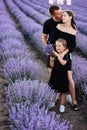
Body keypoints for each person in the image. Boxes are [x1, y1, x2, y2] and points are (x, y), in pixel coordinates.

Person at [48, 10, 79, 111]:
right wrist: (53, 53)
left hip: (65, 56)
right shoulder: (58, 26)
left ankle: (74, 101)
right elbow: (51, 40)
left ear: (70, 17)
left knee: (69, 78)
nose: (62, 17)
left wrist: (64, 53)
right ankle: (53, 98)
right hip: (54, 53)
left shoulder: (73, 30)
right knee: (53, 76)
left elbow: (72, 46)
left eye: (64, 15)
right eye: (62, 16)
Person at [49, 38, 71, 113]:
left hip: (62, 76)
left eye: (59, 46)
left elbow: (63, 63)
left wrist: (57, 55)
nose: (57, 47)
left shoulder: (66, 55)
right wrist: (51, 59)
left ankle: (62, 105)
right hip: (55, 74)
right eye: (56, 46)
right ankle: (53, 102)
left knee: (62, 92)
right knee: (54, 90)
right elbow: (51, 65)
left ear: (64, 47)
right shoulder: (54, 55)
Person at [42, 5, 62, 74]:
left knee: (63, 70)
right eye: (59, 14)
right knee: (51, 68)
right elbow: (44, 37)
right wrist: (47, 47)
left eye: (61, 12)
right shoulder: (48, 23)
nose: (61, 14)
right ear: (53, 15)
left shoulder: (65, 21)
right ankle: (52, 84)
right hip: (52, 47)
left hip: (63, 47)